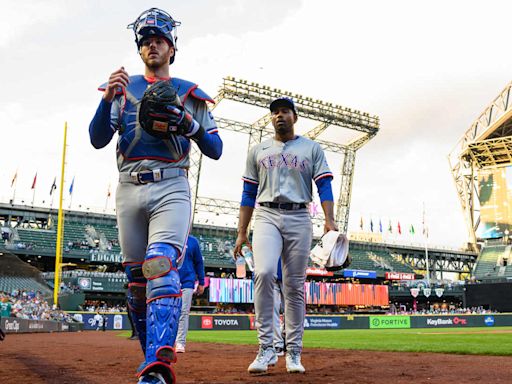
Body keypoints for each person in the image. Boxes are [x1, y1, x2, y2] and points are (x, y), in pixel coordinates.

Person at [89, 8, 222, 384]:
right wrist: (106, 100)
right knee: (135, 280)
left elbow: (215, 149)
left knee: (160, 265)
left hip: (170, 184)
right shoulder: (123, 87)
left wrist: (190, 124)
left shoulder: (189, 92)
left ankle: (158, 367)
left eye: (159, 39)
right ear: (140, 48)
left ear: (172, 48)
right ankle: (150, 357)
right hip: (129, 185)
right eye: (146, 40)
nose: (152, 45)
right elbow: (98, 139)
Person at [234, 97, 337, 374]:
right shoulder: (258, 150)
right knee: (264, 273)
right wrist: (241, 232)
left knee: (294, 285)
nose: (279, 116)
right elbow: (248, 194)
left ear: (295, 116)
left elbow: (324, 186)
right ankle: (266, 347)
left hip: (299, 216)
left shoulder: (311, 148)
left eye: (284, 112)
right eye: (274, 113)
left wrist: (329, 219)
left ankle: (293, 351)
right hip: (266, 214)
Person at [175, 235, 205, 353]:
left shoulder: (193, 241)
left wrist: (201, 282)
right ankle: (167, 341)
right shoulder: (170, 236)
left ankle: (180, 343)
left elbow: (199, 263)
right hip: (170, 280)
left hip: (187, 281)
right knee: (170, 312)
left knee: (183, 312)